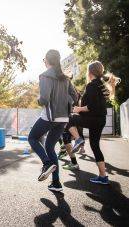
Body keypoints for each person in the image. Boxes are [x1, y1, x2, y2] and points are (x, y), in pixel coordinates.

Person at [27, 49, 77, 192]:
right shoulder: (66, 78)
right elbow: (75, 96)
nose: (43, 62)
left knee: (32, 138)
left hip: (50, 116)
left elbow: (44, 99)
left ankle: (47, 163)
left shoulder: (44, 76)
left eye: (44, 59)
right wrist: (65, 104)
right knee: (49, 147)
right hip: (63, 118)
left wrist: (38, 99)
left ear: (47, 60)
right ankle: (56, 183)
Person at [68, 61, 111, 185]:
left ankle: (78, 139)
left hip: (93, 119)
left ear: (90, 72)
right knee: (95, 146)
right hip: (100, 119)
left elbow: (92, 106)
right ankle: (103, 176)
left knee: (69, 119)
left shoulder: (92, 85)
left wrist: (78, 109)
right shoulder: (101, 85)